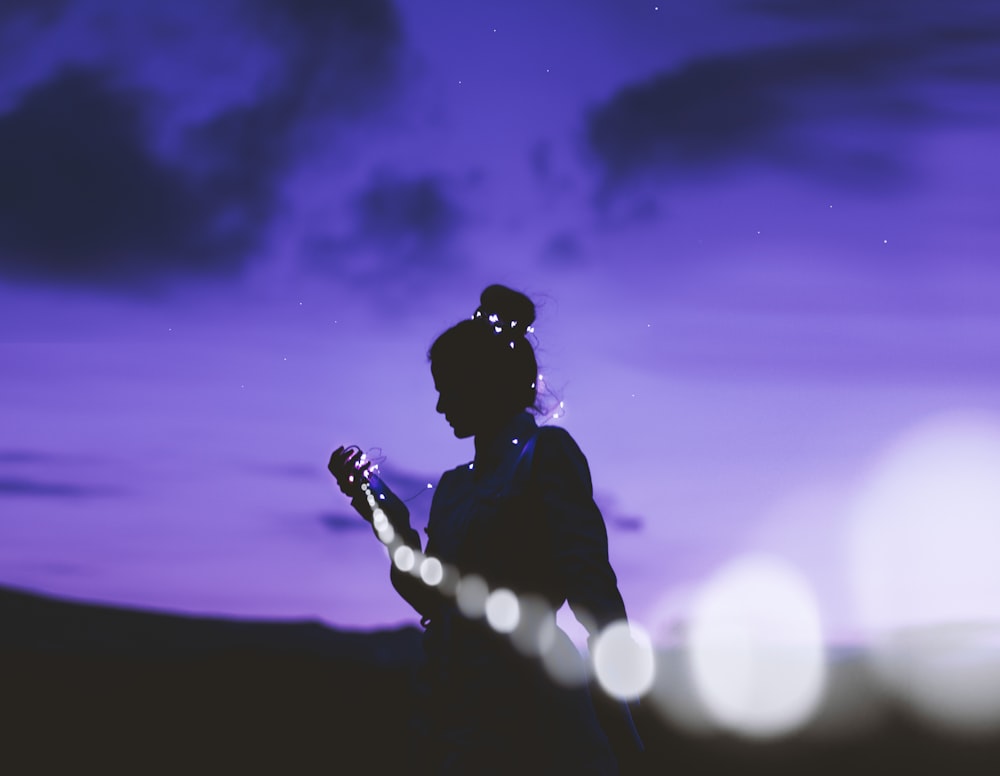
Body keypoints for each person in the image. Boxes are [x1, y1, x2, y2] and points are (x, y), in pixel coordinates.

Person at [329, 285, 642, 774]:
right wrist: (382, 515)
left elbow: (591, 584)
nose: (439, 406)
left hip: (531, 706)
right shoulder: (455, 487)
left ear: (485, 382)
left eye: (447, 388)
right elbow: (434, 597)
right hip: (456, 707)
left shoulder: (548, 455)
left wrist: (623, 713)